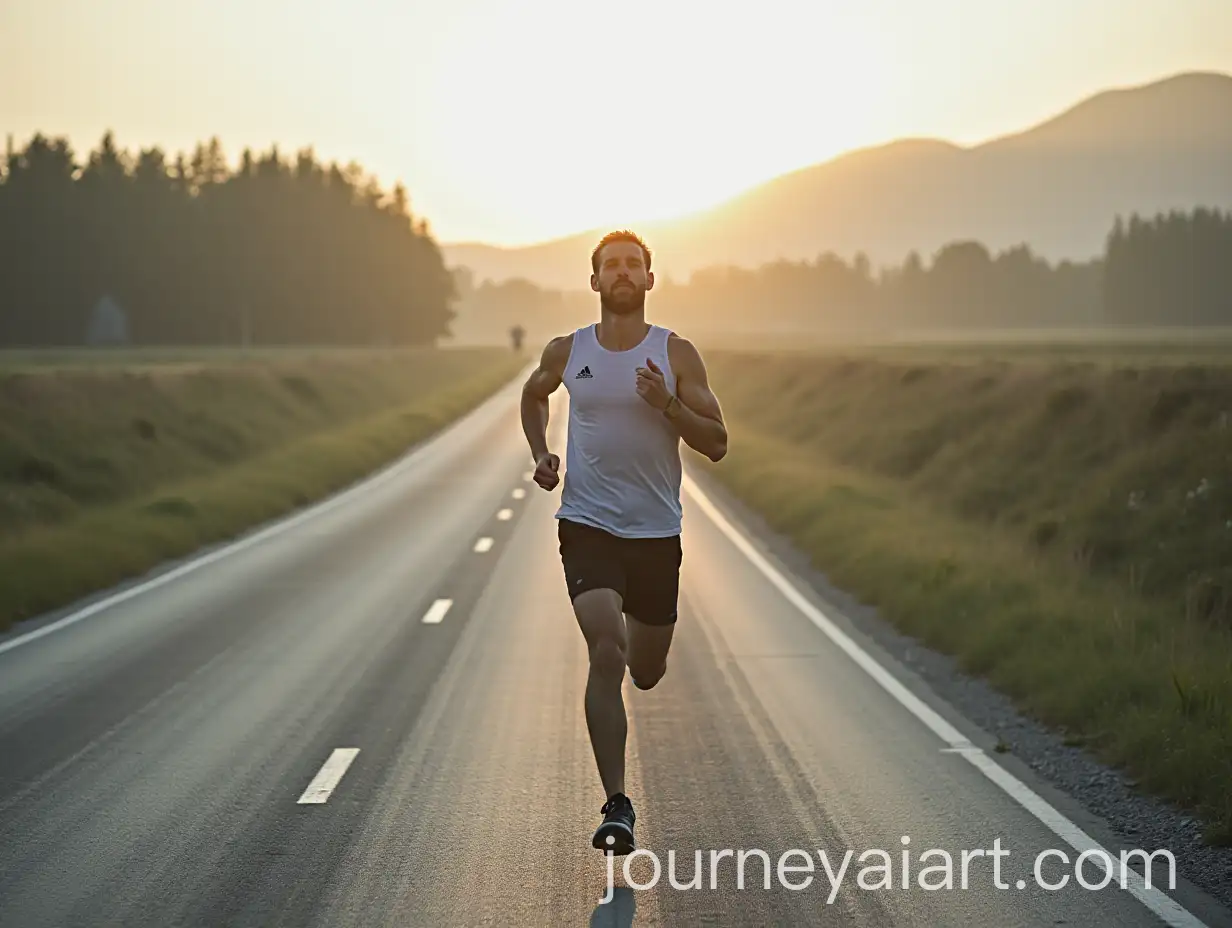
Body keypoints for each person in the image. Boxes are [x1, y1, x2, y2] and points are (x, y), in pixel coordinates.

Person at [519, 229, 728, 856]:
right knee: (606, 650)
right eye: (611, 265)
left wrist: (667, 405)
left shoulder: (676, 353)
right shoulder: (569, 350)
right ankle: (617, 804)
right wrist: (542, 453)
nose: (622, 273)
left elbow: (716, 441)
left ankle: (643, 654)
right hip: (586, 524)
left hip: (656, 534)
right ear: (594, 281)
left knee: (645, 670)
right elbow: (533, 395)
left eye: (633, 265)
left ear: (649, 280)